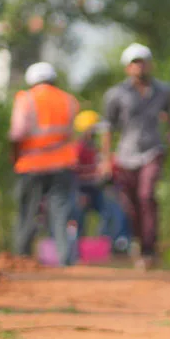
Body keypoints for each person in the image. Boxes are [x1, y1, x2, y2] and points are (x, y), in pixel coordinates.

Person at [101, 43, 170, 270]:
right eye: (134, 62)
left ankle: (149, 249)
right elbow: (108, 128)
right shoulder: (115, 94)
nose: (139, 66)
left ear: (150, 64)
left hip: (153, 149)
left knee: (146, 196)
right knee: (131, 205)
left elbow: (168, 115)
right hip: (126, 155)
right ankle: (138, 242)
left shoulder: (163, 90)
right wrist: (106, 159)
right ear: (127, 67)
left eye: (142, 61)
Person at [10, 62, 79, 266]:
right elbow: (70, 132)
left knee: (28, 212)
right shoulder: (68, 100)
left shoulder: (26, 99)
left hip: (31, 164)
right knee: (60, 213)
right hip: (62, 163)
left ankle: (21, 258)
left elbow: (17, 134)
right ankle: (66, 259)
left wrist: (15, 158)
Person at [69, 110, 130, 257]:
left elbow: (107, 174)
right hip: (80, 191)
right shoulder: (77, 150)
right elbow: (71, 175)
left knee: (114, 210)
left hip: (96, 190)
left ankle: (115, 246)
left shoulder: (97, 150)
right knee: (76, 216)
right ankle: (74, 251)